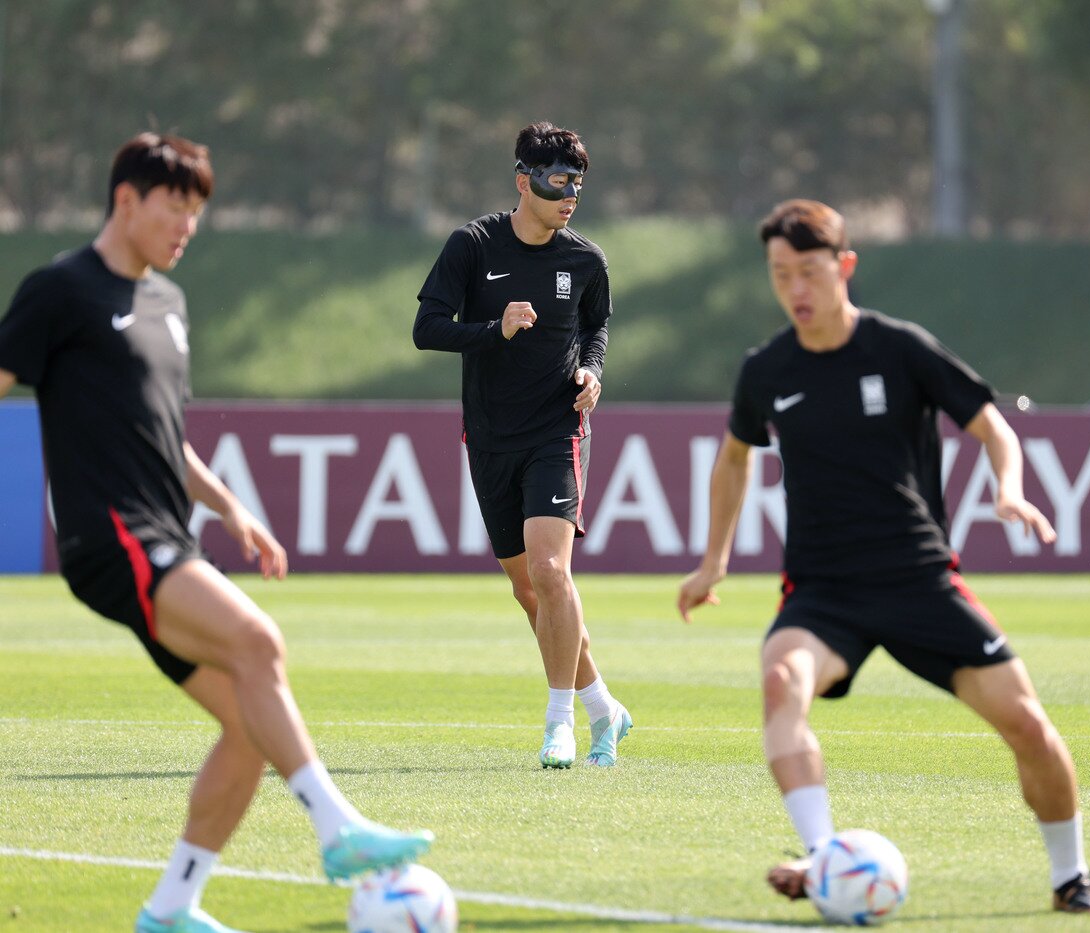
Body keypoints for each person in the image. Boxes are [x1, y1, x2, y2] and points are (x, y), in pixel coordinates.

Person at [0, 133, 433, 933]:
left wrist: (231, 506)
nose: (188, 226)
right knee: (261, 641)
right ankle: (338, 829)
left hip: (170, 534)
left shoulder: (169, 304)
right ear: (126, 199)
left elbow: (167, 435)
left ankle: (171, 908)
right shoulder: (60, 289)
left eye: (197, 211)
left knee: (246, 723)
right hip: (112, 539)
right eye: (176, 206)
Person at [677, 199, 1090, 917]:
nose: (795, 289)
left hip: (919, 579)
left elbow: (993, 428)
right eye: (779, 274)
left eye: (809, 272)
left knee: (1029, 726)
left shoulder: (900, 347)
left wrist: (1008, 490)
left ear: (845, 267)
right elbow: (733, 459)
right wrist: (713, 561)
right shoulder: (767, 369)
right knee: (780, 679)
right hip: (823, 592)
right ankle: (825, 858)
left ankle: (1072, 878)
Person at [413, 122, 630, 769]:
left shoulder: (586, 260)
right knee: (530, 590)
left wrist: (593, 369)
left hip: (556, 431)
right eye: (556, 180)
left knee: (550, 569)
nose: (568, 195)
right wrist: (493, 329)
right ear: (522, 180)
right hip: (489, 436)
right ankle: (604, 710)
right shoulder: (472, 246)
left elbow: (596, 325)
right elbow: (427, 328)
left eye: (577, 184)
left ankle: (559, 723)